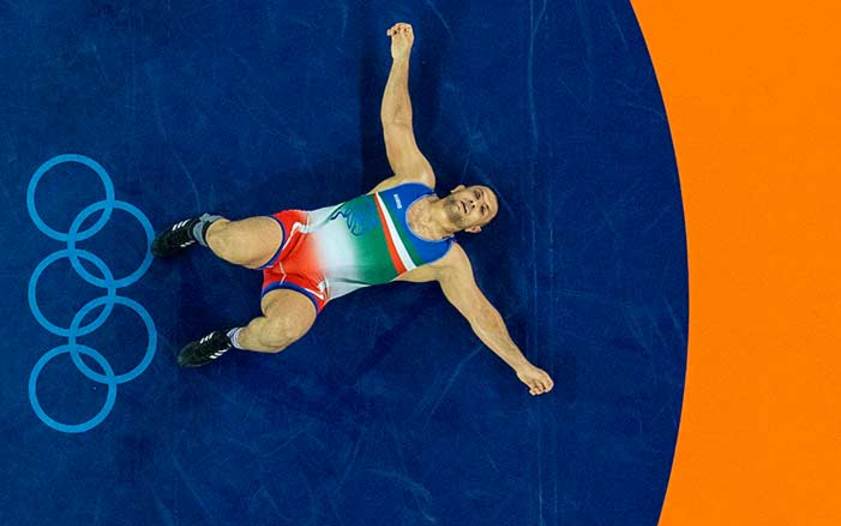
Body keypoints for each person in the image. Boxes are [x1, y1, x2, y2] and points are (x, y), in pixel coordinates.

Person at [151, 22, 554, 395]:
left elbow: (481, 314)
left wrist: (520, 364)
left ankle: (227, 340)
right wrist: (402, 58)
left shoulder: (446, 262)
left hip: (312, 286)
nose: (476, 202)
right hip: (295, 236)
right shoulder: (415, 179)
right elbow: (397, 123)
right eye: (478, 194)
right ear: (461, 188)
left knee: (280, 334)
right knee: (229, 244)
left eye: (482, 210)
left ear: (474, 228)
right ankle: (198, 228)